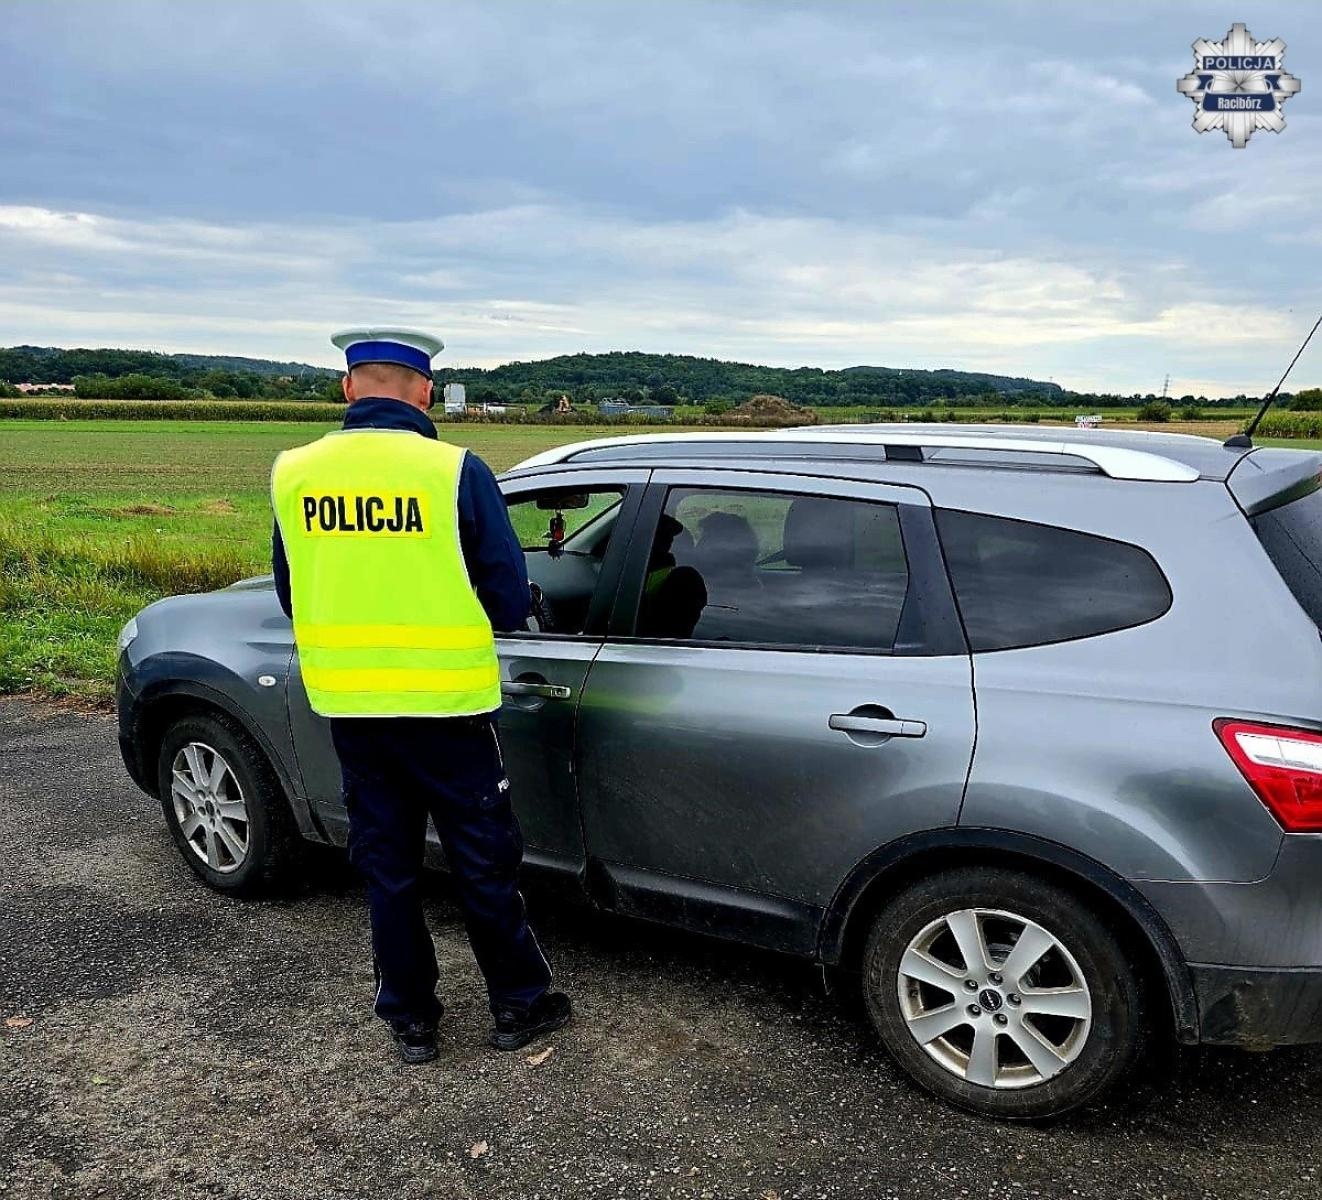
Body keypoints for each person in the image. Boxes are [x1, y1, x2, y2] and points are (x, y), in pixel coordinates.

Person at [270, 328, 572, 1065]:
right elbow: (507, 597)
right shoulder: (454, 470)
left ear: (348, 387)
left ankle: (410, 1021)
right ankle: (520, 1005)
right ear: (426, 392)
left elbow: (289, 589)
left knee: (388, 868)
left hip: (354, 707)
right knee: (482, 861)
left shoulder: (293, 472)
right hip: (448, 706)